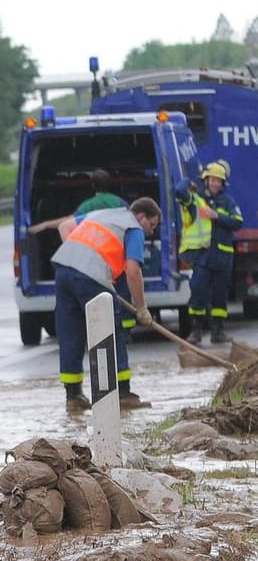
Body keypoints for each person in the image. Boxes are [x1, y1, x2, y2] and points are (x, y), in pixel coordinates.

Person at [51, 198, 161, 414]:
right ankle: (123, 394)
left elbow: (64, 227)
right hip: (91, 277)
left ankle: (73, 396)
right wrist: (142, 308)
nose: (151, 232)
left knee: (70, 333)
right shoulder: (133, 227)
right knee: (110, 333)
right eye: (152, 225)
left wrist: (79, 258)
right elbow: (132, 271)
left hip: (64, 271)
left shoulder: (100, 214)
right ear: (141, 217)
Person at [174, 159, 244, 344]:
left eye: (218, 181)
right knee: (197, 293)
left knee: (220, 296)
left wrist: (217, 216)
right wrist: (188, 181)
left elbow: (237, 222)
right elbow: (179, 192)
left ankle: (217, 332)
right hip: (203, 257)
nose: (215, 183)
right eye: (211, 180)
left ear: (222, 184)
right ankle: (196, 332)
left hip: (222, 257)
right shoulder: (197, 200)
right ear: (206, 180)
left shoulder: (227, 201)